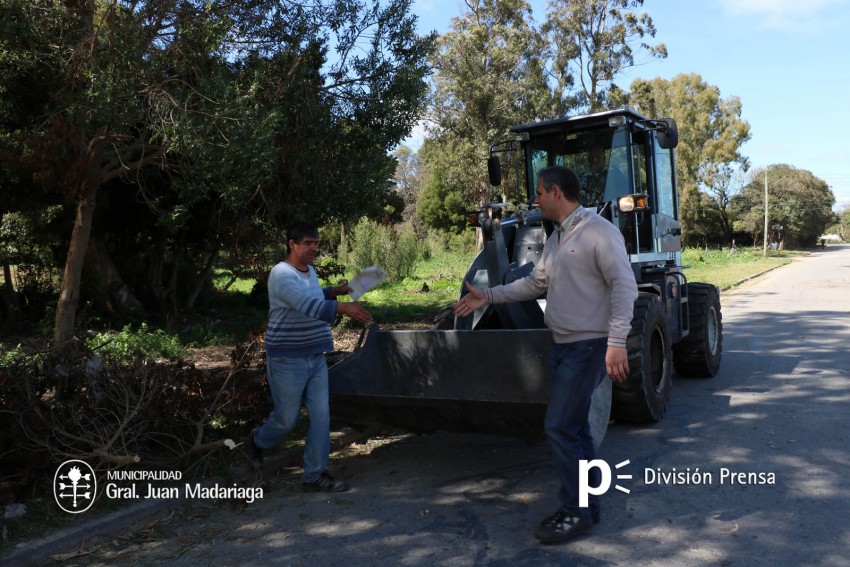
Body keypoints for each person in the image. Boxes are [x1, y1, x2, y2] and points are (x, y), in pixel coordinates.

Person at [453, 165, 638, 544]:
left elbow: (625, 287)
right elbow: (535, 283)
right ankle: (589, 504)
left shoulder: (599, 232)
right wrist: (486, 296)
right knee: (577, 430)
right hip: (563, 345)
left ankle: (575, 512)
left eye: (539, 192)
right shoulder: (558, 237)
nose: (534, 200)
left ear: (556, 193)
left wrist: (617, 342)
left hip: (588, 347)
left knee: (558, 427)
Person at [248, 221, 373, 493]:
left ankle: (314, 476)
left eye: (316, 243)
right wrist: (343, 307)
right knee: (286, 420)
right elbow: (306, 305)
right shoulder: (280, 274)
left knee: (321, 417)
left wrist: (335, 292)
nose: (314, 248)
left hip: (315, 355)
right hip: (287, 358)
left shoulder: (310, 271)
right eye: (308, 243)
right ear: (292, 245)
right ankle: (257, 441)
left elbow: (314, 294)